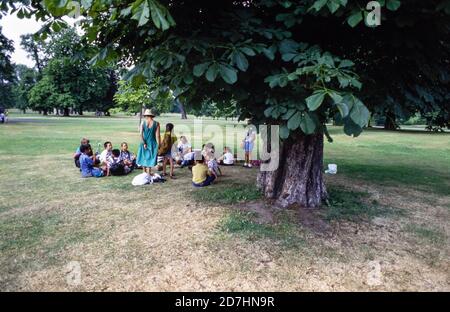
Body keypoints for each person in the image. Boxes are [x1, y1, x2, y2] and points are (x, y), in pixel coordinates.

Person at [136, 108, 160, 175]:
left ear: (146, 115)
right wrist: (159, 145)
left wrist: (144, 143)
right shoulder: (156, 123)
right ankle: (148, 173)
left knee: (144, 157)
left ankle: (144, 173)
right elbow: (158, 136)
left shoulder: (143, 123)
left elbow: (140, 134)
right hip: (152, 142)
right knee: (150, 157)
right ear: (152, 115)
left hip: (143, 141)